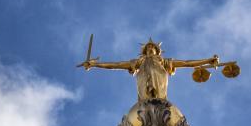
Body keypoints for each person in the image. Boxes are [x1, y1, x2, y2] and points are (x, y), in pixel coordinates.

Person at [79, 39, 219, 102]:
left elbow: (186, 63)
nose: (150, 48)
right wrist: (95, 64)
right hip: (143, 80)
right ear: (145, 51)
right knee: (145, 102)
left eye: (152, 47)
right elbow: (116, 65)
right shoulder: (138, 62)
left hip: (160, 79)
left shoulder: (164, 61)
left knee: (159, 102)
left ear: (157, 51)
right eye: (148, 48)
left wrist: (207, 60)